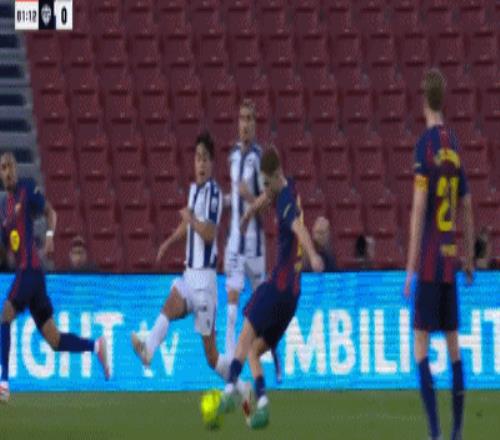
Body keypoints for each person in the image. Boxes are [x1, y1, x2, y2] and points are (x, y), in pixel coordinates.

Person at [218, 147, 324, 429]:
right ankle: (262, 404)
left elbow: (299, 228)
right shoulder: (287, 188)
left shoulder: (286, 202)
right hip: (293, 297)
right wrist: (249, 214)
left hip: (278, 286)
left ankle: (229, 390)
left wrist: (313, 255)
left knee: (244, 334)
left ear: (277, 175)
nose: (265, 189)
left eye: (267, 183)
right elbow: (267, 198)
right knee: (254, 351)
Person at [131, 133, 245, 388]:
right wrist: (168, 242)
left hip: (205, 283)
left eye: (205, 159)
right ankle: (148, 350)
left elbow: (209, 233)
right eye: (197, 158)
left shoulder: (214, 194)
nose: (201, 164)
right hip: (189, 275)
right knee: (168, 307)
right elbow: (188, 226)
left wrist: (191, 219)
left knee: (212, 357)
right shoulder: (194, 190)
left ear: (212, 163)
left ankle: (243, 388)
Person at [0, 153, 110, 402]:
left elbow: (51, 212)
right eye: (3, 168)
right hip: (30, 276)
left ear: (16, 169)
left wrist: (50, 236)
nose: (7, 172)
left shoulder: (27, 189)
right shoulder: (5, 208)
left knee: (5, 313)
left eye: (10, 166)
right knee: (54, 340)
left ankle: (3, 383)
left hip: (30, 269)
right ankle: (96, 346)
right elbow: (5, 248)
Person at [403, 69, 474, 440]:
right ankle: (457, 431)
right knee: (454, 347)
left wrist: (410, 269)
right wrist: (468, 255)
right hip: (450, 260)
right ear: (443, 99)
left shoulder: (425, 146)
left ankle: (434, 432)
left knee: (420, 348)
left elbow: (418, 210)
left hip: (430, 263)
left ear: (422, 100)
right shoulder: (455, 145)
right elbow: (467, 204)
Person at [224, 99, 281, 381]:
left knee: (264, 308)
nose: (244, 124)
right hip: (235, 241)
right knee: (232, 303)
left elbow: (268, 202)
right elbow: (234, 199)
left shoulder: (260, 158)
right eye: (241, 118)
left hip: (255, 244)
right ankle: (229, 362)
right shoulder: (233, 156)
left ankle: (276, 357)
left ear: (255, 124)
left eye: (249, 119)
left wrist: (248, 195)